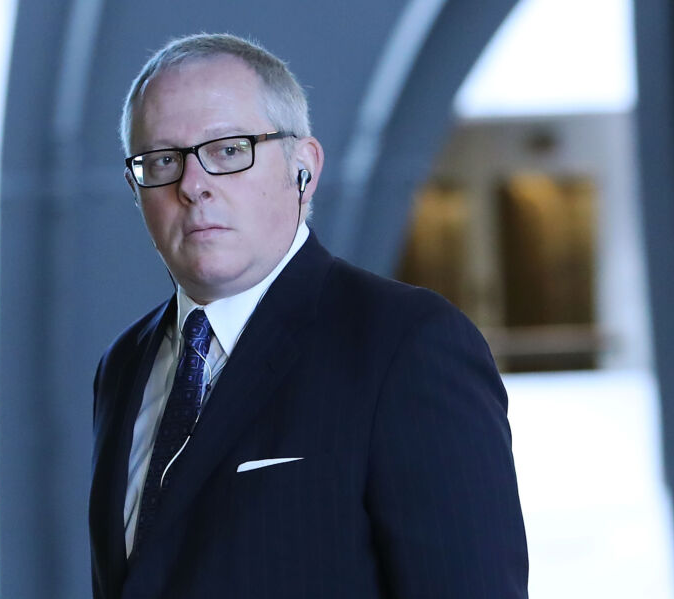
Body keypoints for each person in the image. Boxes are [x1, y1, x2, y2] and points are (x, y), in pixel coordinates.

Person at [89, 32, 528, 599]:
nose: (193, 185)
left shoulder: (406, 344)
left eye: (228, 150)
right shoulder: (123, 365)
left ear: (303, 168)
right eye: (163, 160)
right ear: (136, 187)